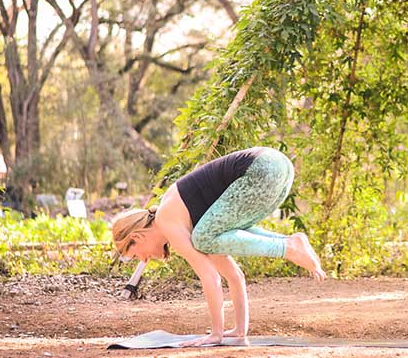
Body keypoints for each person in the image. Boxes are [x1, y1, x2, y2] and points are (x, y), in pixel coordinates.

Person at [112, 146, 326, 346]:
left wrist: (215, 334)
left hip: (262, 170)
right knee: (207, 237)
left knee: (202, 238)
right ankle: (288, 243)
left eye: (135, 255)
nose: (143, 260)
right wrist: (238, 333)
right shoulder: (194, 221)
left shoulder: (166, 220)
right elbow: (234, 276)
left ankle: (288, 246)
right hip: (278, 168)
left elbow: (210, 278)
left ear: (137, 237)